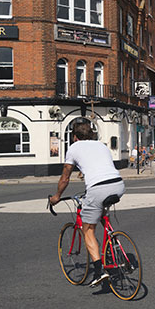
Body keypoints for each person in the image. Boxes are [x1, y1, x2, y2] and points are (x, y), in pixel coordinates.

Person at [49, 121, 125, 287]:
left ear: (75, 137)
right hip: (118, 184)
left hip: (97, 188)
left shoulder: (74, 148)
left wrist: (56, 196)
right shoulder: (101, 145)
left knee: (88, 229)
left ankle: (99, 271)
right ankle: (112, 247)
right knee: (101, 212)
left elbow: (65, 178)